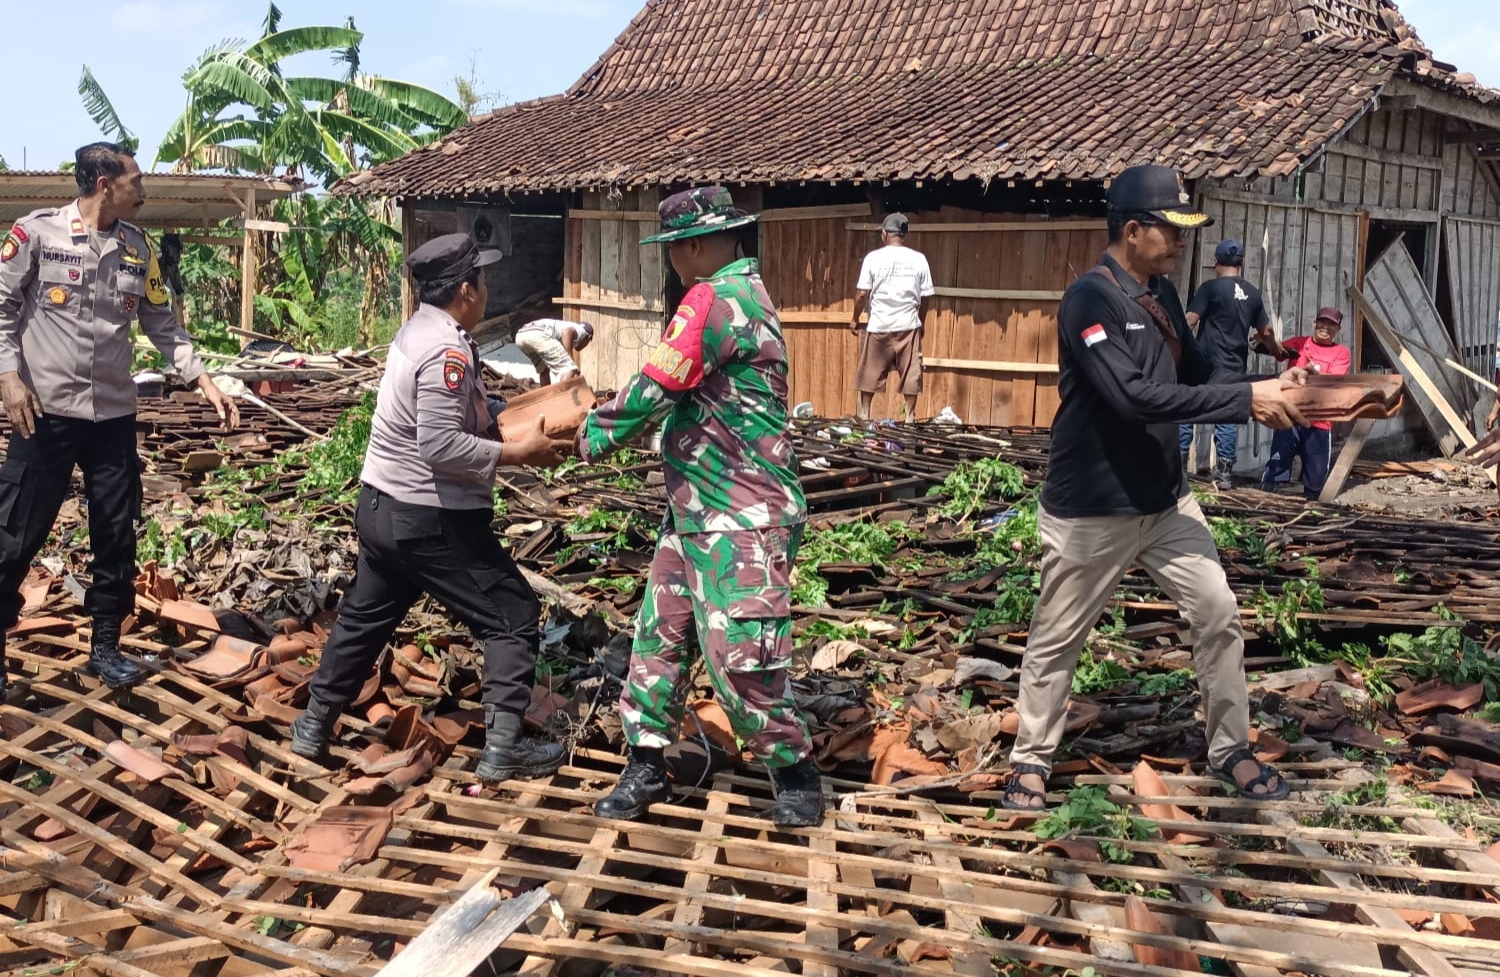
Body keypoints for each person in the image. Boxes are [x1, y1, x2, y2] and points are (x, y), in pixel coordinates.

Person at [1001, 164, 1310, 811]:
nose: (1180, 243)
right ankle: (1030, 760)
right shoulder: (1090, 301)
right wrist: (1246, 400)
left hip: (1166, 500)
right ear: (1132, 229)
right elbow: (1132, 396)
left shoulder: (1164, 294)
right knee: (1058, 637)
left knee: (1218, 613)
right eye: (1169, 230)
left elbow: (1197, 372)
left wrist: (1278, 384)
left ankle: (1230, 748)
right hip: (1094, 506)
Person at [289, 233, 573, 781]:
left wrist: (499, 408)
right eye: (483, 280)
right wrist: (519, 452)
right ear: (466, 289)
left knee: (364, 619)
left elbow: (446, 412)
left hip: (380, 506)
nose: (487, 288)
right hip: (427, 515)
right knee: (511, 614)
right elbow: (438, 445)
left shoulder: (418, 330)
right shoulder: (446, 349)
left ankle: (313, 725)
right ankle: (503, 750)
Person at [579, 186, 821, 827]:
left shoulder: (714, 299)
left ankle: (795, 772)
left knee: (742, 653)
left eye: (678, 250)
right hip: (698, 509)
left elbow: (657, 384)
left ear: (694, 246)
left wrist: (591, 435)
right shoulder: (746, 293)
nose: (676, 263)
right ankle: (646, 762)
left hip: (740, 515)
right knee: (661, 638)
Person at [0, 142, 239, 697]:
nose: (144, 190)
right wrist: (9, 378)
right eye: (136, 179)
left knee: (115, 533)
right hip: (44, 413)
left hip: (111, 415)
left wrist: (204, 380)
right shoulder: (37, 234)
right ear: (105, 182)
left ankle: (104, 647)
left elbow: (162, 323)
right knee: (15, 535)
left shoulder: (137, 247)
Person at [1179, 239, 1281, 488]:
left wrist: (1172, 341)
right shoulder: (1253, 293)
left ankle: (1179, 469)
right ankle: (1224, 474)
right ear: (1241, 263)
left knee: (1186, 411)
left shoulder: (1210, 289)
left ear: (1215, 261)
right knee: (1226, 415)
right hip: (1233, 366)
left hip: (1202, 364)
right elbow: (1265, 330)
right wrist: (1275, 349)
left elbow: (1191, 320)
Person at [849, 213, 934, 422]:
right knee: (911, 373)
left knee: (869, 374)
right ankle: (909, 418)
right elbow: (926, 297)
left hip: (880, 324)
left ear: (884, 234)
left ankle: (864, 416)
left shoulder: (873, 258)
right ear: (904, 235)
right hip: (908, 325)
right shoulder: (918, 259)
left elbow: (862, 293)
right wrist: (920, 321)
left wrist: (854, 317)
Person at [1262, 308, 1352, 498]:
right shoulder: (1299, 344)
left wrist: (1313, 374)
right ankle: (1268, 502)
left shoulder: (1341, 353)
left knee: (1315, 480)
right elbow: (1277, 351)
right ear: (1315, 323)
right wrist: (1267, 340)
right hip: (1288, 415)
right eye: (1322, 322)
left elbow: (1334, 381)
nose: (1325, 327)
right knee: (1276, 470)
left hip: (1319, 420)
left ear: (1338, 329)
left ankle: (1310, 512)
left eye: (1331, 324)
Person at [516, 318, 594, 385]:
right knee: (570, 369)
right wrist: (570, 359)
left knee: (544, 371)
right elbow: (567, 332)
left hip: (521, 336)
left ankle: (546, 399)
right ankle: (560, 399)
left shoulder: (563, 325)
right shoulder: (582, 331)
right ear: (588, 338)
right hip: (539, 335)